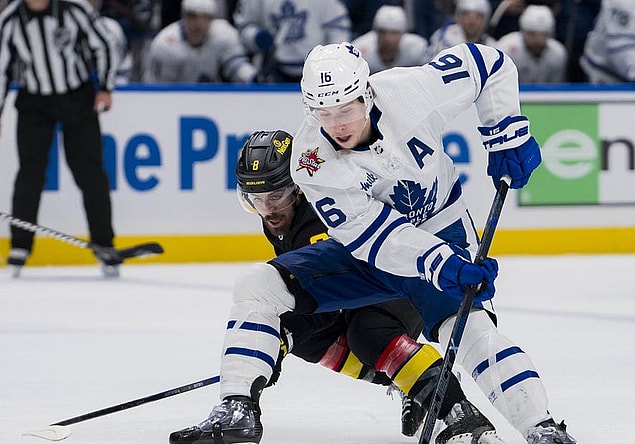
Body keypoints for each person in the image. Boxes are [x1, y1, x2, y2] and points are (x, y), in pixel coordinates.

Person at [183, 41, 576, 444]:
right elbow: (377, 239)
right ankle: (237, 408)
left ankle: (541, 427)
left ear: (366, 92)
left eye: (346, 109)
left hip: (443, 227)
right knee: (259, 286)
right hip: (370, 251)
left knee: (468, 330)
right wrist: (444, 265)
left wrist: (504, 130)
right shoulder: (309, 160)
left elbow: (488, 64)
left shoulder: (412, 90)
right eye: (324, 112)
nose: (337, 124)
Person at [169, 130, 506, 444]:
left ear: (299, 187)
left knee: (367, 331)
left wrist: (277, 345)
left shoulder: (319, 214)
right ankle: (408, 379)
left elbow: (329, 297)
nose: (268, 208)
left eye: (277, 195)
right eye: (256, 198)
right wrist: (272, 344)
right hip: (359, 288)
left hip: (398, 280)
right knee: (297, 332)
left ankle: (460, 413)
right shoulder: (282, 216)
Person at [0, 0, 120, 278]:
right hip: (33, 103)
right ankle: (20, 245)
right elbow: (2, 69)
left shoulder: (74, 10)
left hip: (76, 98)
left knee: (90, 173)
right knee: (30, 174)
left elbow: (105, 45)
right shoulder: (10, 20)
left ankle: (104, 244)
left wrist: (105, 87)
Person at [233, 0, 351, 83]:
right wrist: (255, 36)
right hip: (272, 70)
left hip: (318, 72)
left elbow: (338, 30)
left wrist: (334, 63)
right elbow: (244, 24)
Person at [143, 0, 257, 83]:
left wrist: (252, 77)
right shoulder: (166, 43)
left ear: (212, 19)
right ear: (183, 17)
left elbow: (236, 66)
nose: (198, 24)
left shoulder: (224, 34)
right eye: (193, 17)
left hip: (213, 99)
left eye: (204, 17)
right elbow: (161, 88)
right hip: (176, 99)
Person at [496, 5, 568, 83]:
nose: (538, 40)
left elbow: (556, 88)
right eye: (533, 34)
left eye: (544, 35)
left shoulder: (558, 54)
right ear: (524, 32)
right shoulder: (506, 48)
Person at [351, 5, 431, 74]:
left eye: (394, 33)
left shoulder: (417, 49)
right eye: (383, 32)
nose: (388, 38)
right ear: (375, 33)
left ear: (402, 34)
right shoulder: (359, 50)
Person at [430, 0, 498, 55]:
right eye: (466, 14)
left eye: (478, 16)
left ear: (485, 20)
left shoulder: (492, 46)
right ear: (458, 17)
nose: (472, 21)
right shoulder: (445, 36)